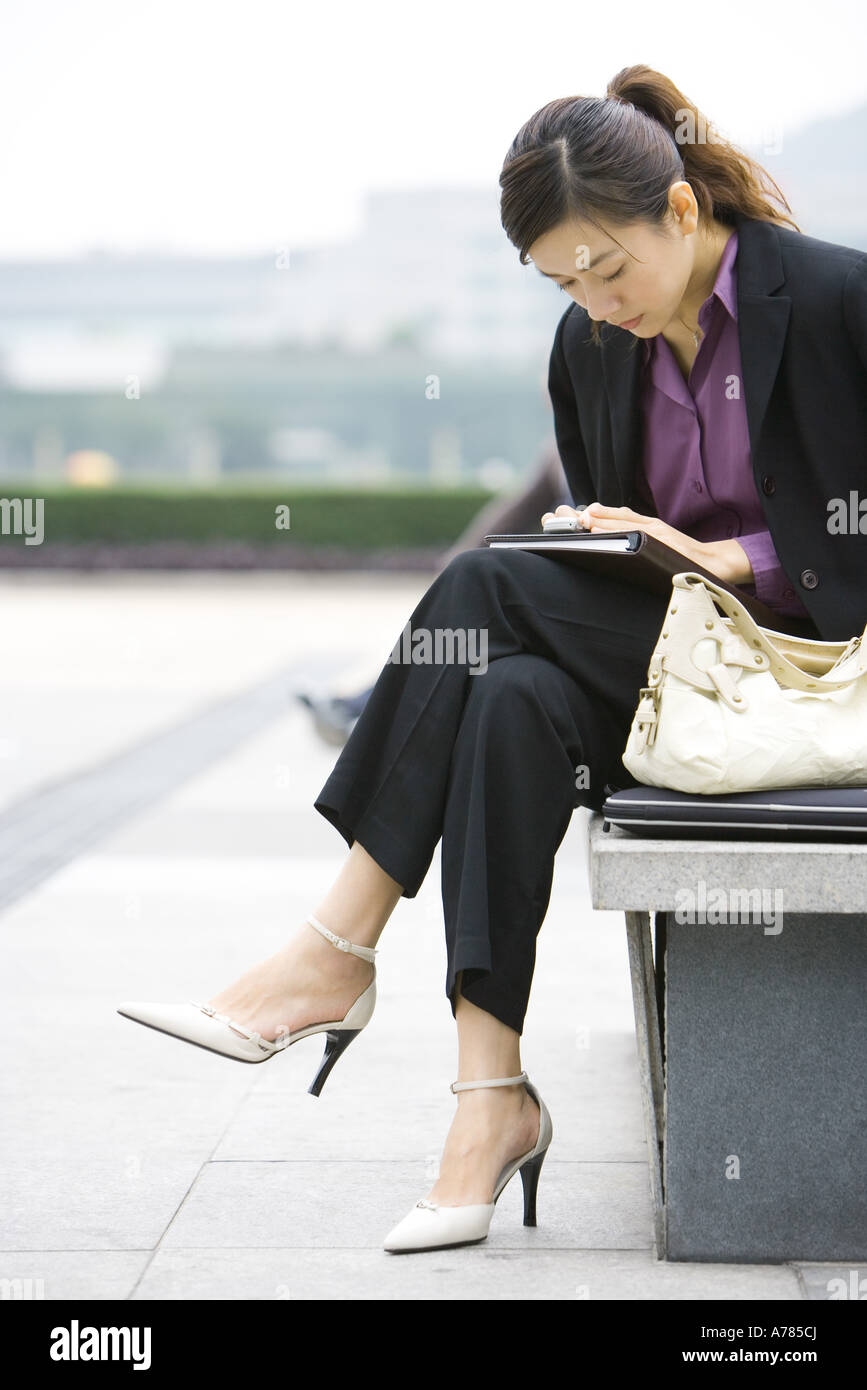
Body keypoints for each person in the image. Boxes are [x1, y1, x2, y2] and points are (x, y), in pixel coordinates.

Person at [118, 64, 867, 1256]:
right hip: (678, 668)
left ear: (680, 212)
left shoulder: (834, 298)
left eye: (608, 269)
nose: (593, 302)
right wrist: (627, 547)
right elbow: (611, 536)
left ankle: (334, 950)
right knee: (510, 693)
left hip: (816, 665)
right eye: (560, 281)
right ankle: (490, 1102)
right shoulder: (592, 348)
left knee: (480, 583)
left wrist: (721, 555)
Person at [295, 440, 572, 747]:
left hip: (578, 598)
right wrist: (459, 560)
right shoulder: (558, 447)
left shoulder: (586, 436)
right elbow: (512, 511)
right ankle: (366, 710)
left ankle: (369, 713)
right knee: (458, 631)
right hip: (559, 588)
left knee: (466, 629)